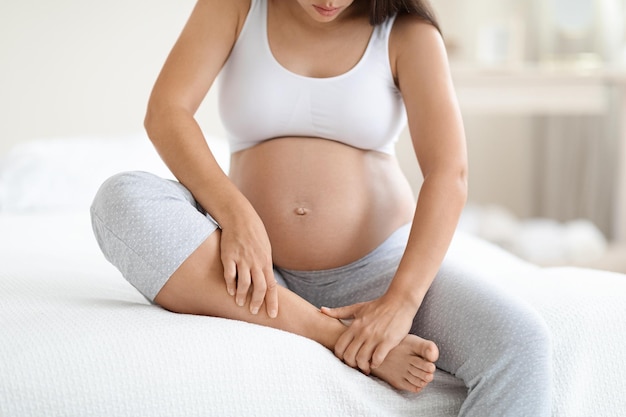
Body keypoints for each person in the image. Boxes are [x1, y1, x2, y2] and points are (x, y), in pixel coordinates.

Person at [90, 0, 553, 415]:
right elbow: (166, 111)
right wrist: (236, 215)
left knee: (522, 345)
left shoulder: (408, 33)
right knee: (121, 199)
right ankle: (335, 336)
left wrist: (399, 302)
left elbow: (448, 173)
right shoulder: (236, 7)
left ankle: (343, 325)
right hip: (249, 270)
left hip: (379, 274)